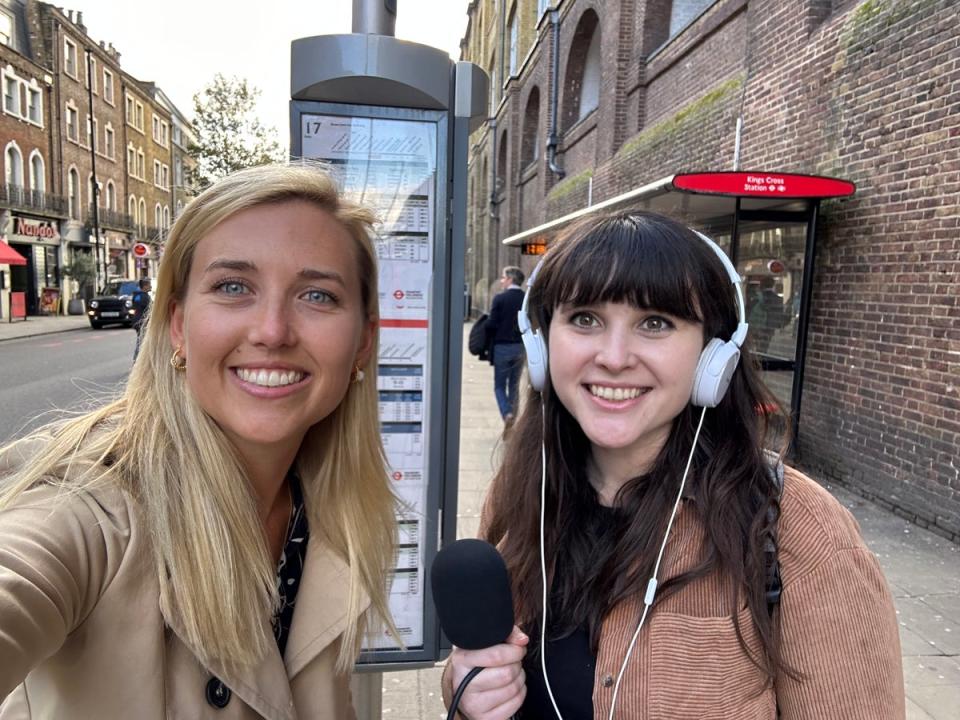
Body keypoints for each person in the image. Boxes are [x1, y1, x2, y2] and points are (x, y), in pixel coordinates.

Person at [443, 212, 904, 719]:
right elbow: (487, 663)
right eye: (585, 319)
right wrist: (467, 688)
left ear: (713, 355)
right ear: (542, 342)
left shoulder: (797, 530)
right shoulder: (521, 492)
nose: (614, 357)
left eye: (655, 323)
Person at [0, 163, 398, 718]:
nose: (273, 331)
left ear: (362, 343)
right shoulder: (89, 507)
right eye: (233, 287)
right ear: (178, 326)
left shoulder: (335, 513)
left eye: (318, 295)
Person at [485, 265, 526, 425]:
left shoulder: (499, 299)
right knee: (514, 387)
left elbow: (491, 324)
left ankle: (507, 414)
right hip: (519, 348)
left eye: (503, 278)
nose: (502, 281)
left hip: (502, 348)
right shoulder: (525, 299)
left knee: (499, 386)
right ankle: (513, 422)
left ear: (510, 279)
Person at [131, 276, 152, 362]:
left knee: (142, 341)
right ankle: (137, 362)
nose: (151, 286)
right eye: (149, 284)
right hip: (143, 322)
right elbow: (149, 311)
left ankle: (139, 361)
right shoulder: (145, 297)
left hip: (137, 322)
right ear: (145, 286)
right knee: (142, 342)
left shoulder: (137, 296)